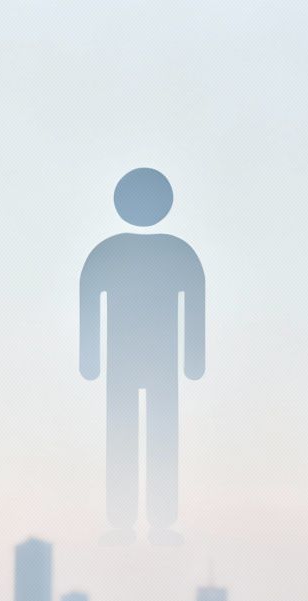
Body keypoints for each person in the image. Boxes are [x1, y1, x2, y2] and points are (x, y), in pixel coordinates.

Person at [78, 167, 206, 546]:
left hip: (140, 359)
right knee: (141, 434)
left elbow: (193, 305)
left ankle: (146, 518)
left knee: (141, 434)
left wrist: (90, 360)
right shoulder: (175, 253)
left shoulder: (110, 253)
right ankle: (137, 517)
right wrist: (193, 360)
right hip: (143, 359)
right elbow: (90, 305)